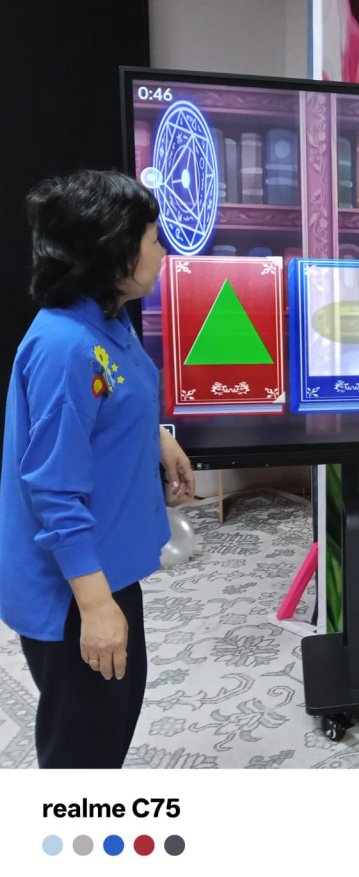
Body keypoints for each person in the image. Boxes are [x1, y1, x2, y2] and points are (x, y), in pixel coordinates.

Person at [0, 169, 195, 768]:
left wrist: (158, 437)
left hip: (110, 565)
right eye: (153, 239)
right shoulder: (65, 347)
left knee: (113, 714)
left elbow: (115, 396)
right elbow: (52, 492)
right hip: (74, 586)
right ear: (112, 250)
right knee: (85, 747)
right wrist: (94, 607)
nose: (163, 251)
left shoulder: (107, 316)